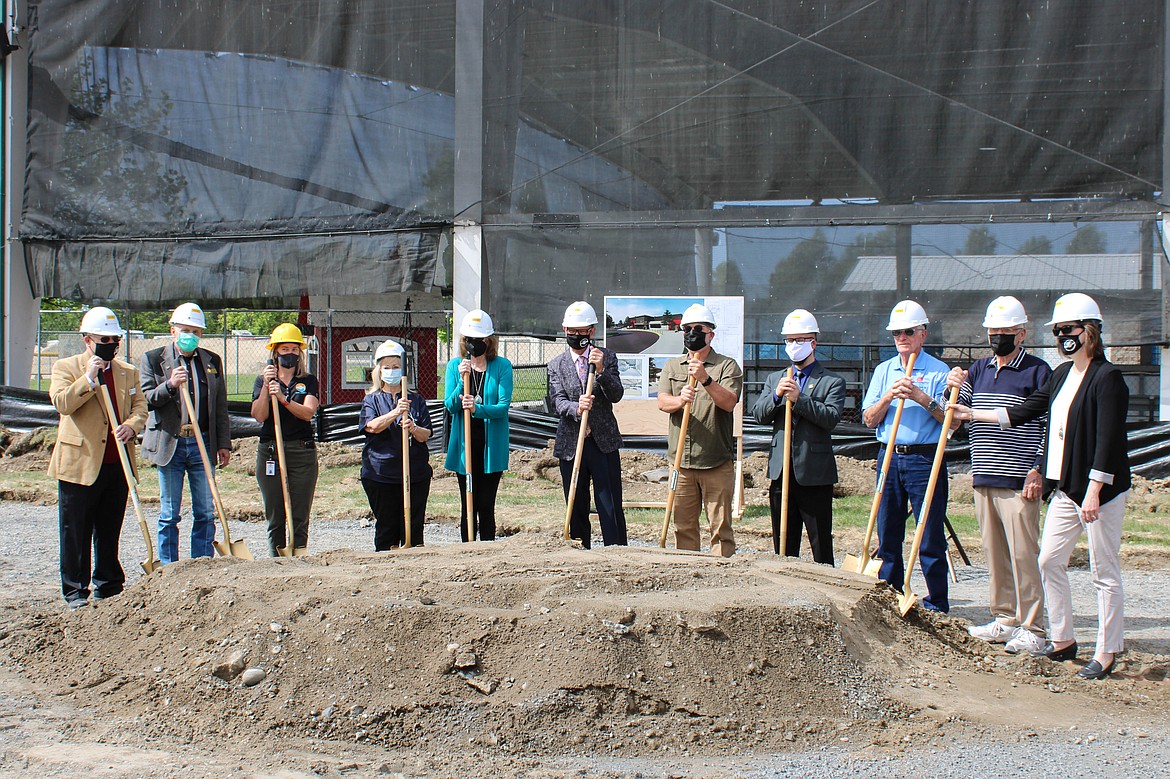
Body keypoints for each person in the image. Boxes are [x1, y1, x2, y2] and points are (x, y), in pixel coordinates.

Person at [950, 293, 1130, 680]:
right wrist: (972, 412)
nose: (1063, 335)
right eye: (1058, 330)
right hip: (1066, 488)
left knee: (1104, 571)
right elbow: (1024, 411)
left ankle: (1107, 649)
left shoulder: (1108, 377)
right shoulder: (1063, 375)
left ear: (1090, 331)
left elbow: (1108, 439)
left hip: (1101, 488)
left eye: (1070, 329)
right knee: (1048, 560)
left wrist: (1096, 488)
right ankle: (1063, 639)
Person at [946, 296, 1051, 655]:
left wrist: (1038, 468)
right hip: (984, 475)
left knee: (1024, 555)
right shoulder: (978, 369)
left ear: (1022, 333)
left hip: (1019, 478)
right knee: (995, 554)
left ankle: (1033, 626)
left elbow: (1048, 425)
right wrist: (952, 386)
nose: (998, 337)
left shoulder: (1038, 371)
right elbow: (958, 415)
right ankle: (1004, 618)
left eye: (1005, 332)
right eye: (993, 331)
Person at [48, 307, 148, 608]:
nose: (111, 345)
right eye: (104, 339)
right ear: (87, 340)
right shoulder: (67, 367)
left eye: (115, 339)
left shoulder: (127, 371)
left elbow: (140, 407)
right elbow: (62, 403)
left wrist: (132, 426)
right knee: (75, 530)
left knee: (109, 527)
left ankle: (109, 583)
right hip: (80, 463)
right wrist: (89, 379)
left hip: (117, 462)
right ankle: (75, 590)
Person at [861, 300, 952, 612]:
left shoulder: (940, 372)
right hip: (889, 455)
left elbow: (948, 420)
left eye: (908, 331)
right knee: (887, 529)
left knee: (929, 532)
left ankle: (937, 601)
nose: (902, 337)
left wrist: (920, 397)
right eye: (896, 332)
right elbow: (870, 419)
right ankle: (891, 592)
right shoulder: (884, 371)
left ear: (922, 334)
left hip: (924, 458)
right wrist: (889, 395)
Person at [751, 308, 845, 564]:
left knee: (820, 540)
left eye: (799, 340)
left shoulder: (832, 381)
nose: (793, 345)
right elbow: (759, 414)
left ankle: (825, 583)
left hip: (814, 473)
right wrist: (776, 396)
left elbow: (830, 418)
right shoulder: (775, 379)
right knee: (783, 541)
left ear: (813, 343)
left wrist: (799, 399)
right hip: (781, 471)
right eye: (789, 340)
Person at [139, 303, 231, 564]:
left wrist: (223, 443)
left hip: (202, 442)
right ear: (173, 330)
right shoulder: (153, 359)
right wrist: (170, 385)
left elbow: (220, 406)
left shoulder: (211, 361)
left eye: (196, 331)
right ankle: (169, 568)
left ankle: (201, 563)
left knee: (205, 511)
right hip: (172, 443)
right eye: (185, 330)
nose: (190, 335)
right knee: (170, 512)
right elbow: (147, 399)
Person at [657, 303, 743, 557]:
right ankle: (687, 572)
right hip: (681, 464)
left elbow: (728, 403)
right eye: (687, 329)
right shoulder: (673, 367)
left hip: (716, 462)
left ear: (711, 334)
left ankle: (722, 571)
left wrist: (705, 378)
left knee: (720, 527)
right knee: (683, 525)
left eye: (698, 329)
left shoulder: (727, 366)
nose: (692, 333)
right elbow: (663, 402)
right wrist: (680, 400)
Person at [548, 301, 627, 548]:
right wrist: (576, 407)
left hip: (603, 442)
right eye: (571, 331)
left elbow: (616, 394)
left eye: (582, 331)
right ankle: (581, 551)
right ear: (564, 329)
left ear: (592, 331)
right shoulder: (556, 365)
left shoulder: (607, 357)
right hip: (572, 443)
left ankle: (616, 551)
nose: (576, 336)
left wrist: (601, 371)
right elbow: (557, 402)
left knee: (609, 502)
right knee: (576, 503)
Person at [250, 323, 320, 556]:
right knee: (275, 510)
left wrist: (283, 399)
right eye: (284, 349)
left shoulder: (309, 381)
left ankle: (298, 553)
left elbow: (308, 413)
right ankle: (276, 558)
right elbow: (259, 415)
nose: (289, 354)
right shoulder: (263, 381)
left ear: (299, 352)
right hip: (270, 449)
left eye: (293, 349)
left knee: (299, 510)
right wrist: (266, 390)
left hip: (301, 450)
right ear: (275, 353)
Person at [443, 309, 513, 541]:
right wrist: (460, 383)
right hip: (466, 445)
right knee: (468, 502)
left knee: (486, 503)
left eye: (481, 340)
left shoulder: (502, 366)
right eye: (471, 341)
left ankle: (487, 547)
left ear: (489, 341)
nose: (475, 345)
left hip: (490, 446)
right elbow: (450, 406)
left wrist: (477, 409)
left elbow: (503, 407)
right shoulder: (455, 366)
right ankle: (467, 547)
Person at [360, 339, 432, 550]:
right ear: (379, 371)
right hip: (381, 475)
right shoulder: (371, 400)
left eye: (396, 366)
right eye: (387, 367)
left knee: (413, 527)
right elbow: (371, 426)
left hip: (414, 474)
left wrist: (413, 428)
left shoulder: (416, 400)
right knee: (387, 527)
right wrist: (395, 412)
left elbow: (426, 434)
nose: (391, 371)